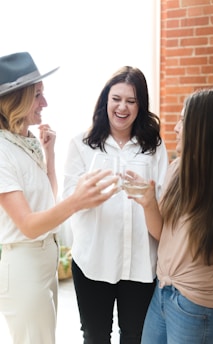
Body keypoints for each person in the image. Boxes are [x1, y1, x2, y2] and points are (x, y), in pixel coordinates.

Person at [0, 52, 118, 344]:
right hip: (24, 265)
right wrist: (77, 200)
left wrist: (49, 156)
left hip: (44, 260)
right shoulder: (1, 152)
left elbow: (48, 204)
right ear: (15, 101)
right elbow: (28, 225)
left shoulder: (25, 141)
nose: (45, 104)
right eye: (38, 95)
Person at [63, 66, 168, 343]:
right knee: (95, 336)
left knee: (135, 336)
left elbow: (166, 206)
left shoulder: (153, 148)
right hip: (94, 260)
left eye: (131, 101)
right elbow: (67, 202)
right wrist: (88, 195)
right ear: (105, 101)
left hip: (141, 263)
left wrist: (148, 200)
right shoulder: (82, 145)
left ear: (140, 106)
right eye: (116, 99)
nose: (122, 107)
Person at [136, 89, 213, 343]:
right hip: (163, 294)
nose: (176, 128)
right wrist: (148, 202)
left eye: (183, 121)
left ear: (203, 129)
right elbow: (162, 233)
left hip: (199, 307)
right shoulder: (177, 169)